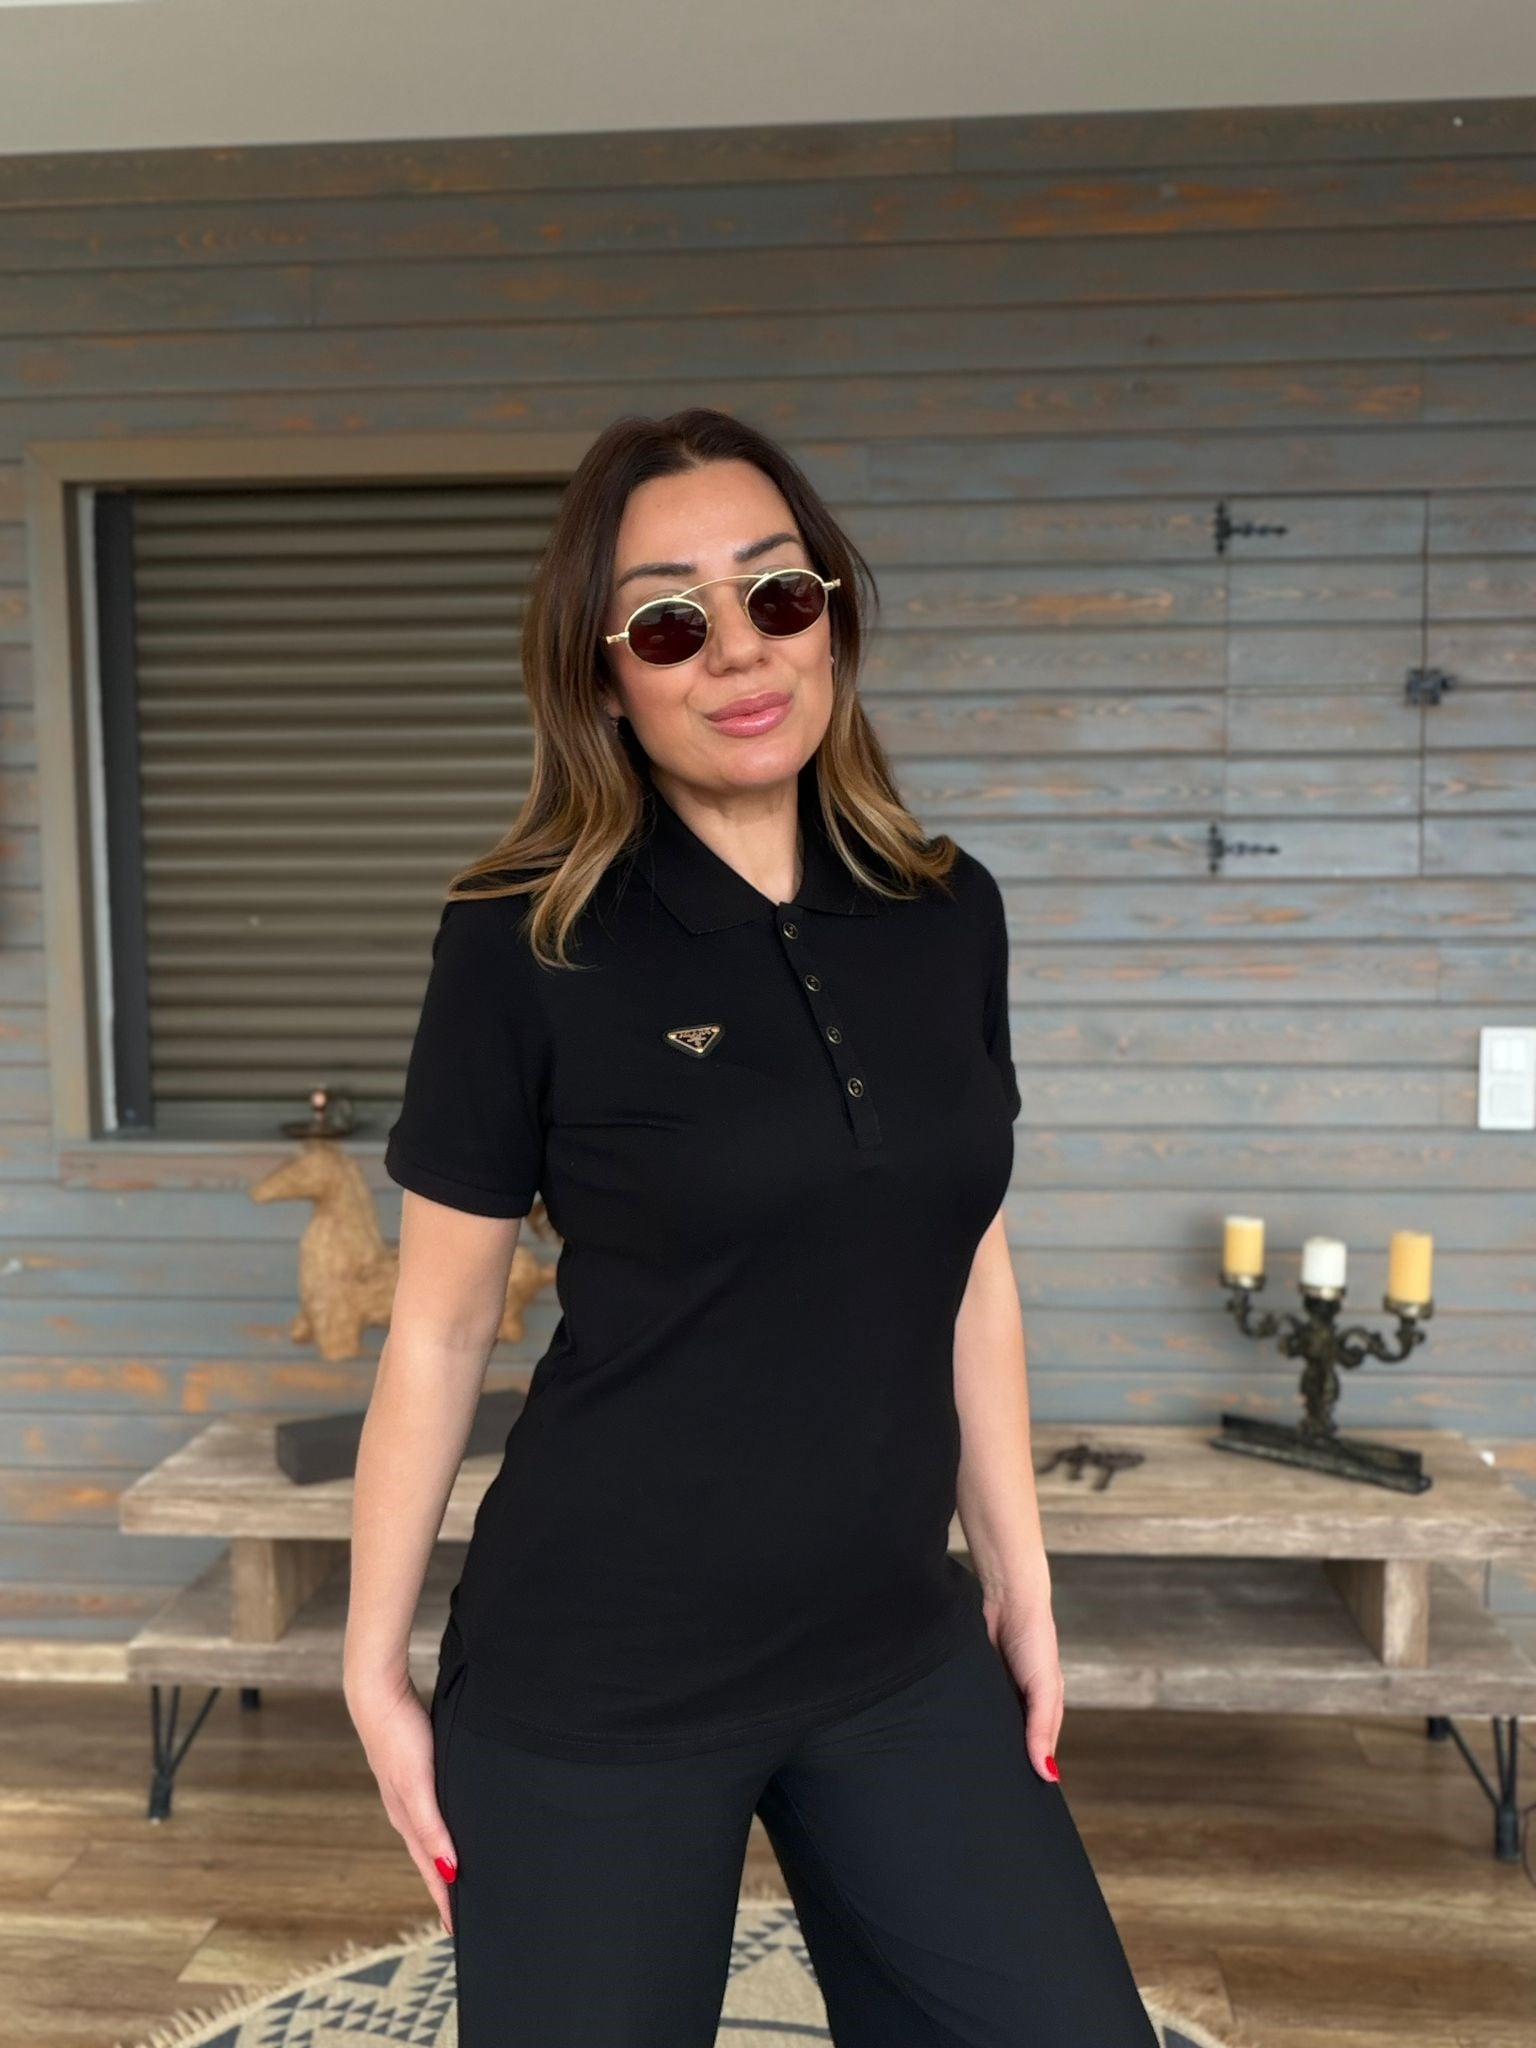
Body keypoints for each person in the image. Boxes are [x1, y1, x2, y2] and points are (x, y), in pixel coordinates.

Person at [344, 405, 1157, 2047]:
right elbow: (437, 1326)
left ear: (831, 610)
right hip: (599, 1673)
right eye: (667, 620)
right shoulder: (523, 940)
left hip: (892, 1648)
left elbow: (968, 1263)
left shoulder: (947, 909)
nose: (738, 649)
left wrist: (1020, 1579)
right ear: (603, 677)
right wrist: (370, 1667)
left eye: (776, 592)